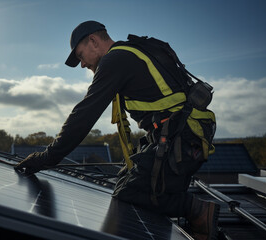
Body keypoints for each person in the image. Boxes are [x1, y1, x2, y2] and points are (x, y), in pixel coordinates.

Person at [15, 20, 219, 240]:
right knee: (123, 182)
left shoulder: (115, 60)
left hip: (180, 138)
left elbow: (84, 115)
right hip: (178, 136)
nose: (82, 65)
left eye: (81, 56)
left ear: (93, 41)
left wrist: (47, 158)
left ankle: (199, 212)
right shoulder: (129, 53)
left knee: (129, 192)